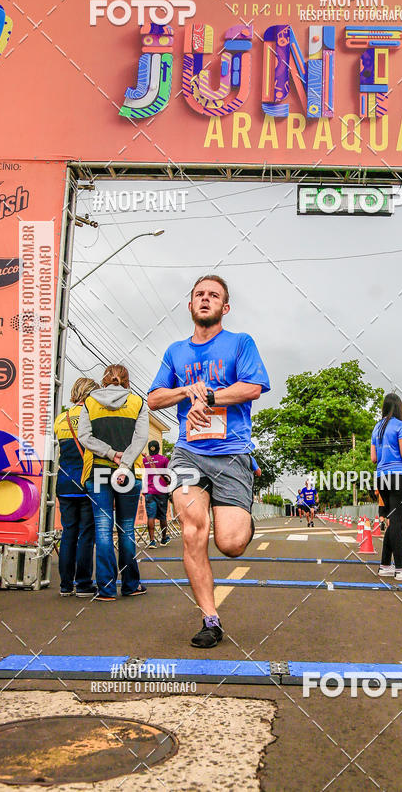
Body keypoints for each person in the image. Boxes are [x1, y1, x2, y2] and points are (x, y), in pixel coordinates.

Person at [147, 274, 270, 648]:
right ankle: (210, 619)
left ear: (225, 307)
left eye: (213, 295)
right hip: (188, 452)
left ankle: (241, 520)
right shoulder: (175, 352)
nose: (205, 299)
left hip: (232, 453)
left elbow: (253, 388)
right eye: (199, 294)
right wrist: (188, 389)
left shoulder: (240, 343)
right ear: (189, 305)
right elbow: (153, 399)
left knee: (230, 543)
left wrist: (211, 397)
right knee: (192, 532)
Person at [78, 364, 149, 601]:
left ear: (104, 379)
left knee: (102, 529)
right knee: (126, 529)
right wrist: (125, 462)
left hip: (98, 469)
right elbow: (141, 438)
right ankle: (130, 584)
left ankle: (106, 589)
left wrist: (110, 453)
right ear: (126, 380)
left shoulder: (90, 402)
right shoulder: (138, 402)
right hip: (128, 473)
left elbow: (85, 436)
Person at [53, 377, 100, 597]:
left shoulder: (60, 419)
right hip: (88, 481)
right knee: (86, 535)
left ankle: (65, 586)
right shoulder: (94, 418)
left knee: (68, 534)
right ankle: (83, 584)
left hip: (64, 482)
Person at [371, 392, 402, 581]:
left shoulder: (377, 428)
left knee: (391, 521)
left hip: (381, 476)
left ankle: (385, 565)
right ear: (399, 407)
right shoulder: (401, 426)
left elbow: (374, 458)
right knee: (397, 522)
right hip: (398, 476)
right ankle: (400, 569)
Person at [143, 440, 171, 548]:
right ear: (158, 448)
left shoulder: (145, 460)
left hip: (149, 491)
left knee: (151, 516)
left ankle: (152, 541)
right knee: (162, 516)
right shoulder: (164, 459)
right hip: (161, 491)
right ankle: (163, 539)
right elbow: (167, 475)